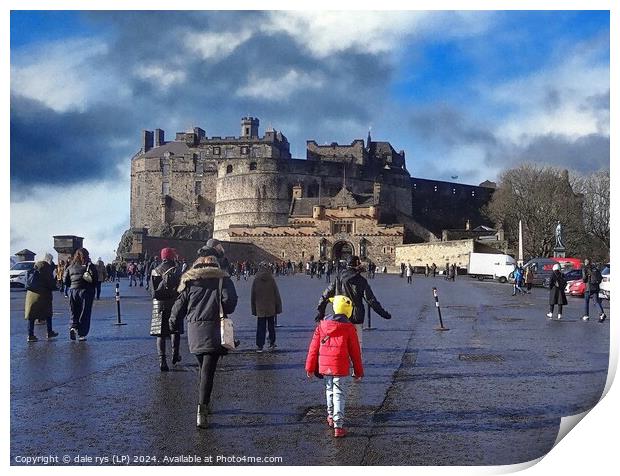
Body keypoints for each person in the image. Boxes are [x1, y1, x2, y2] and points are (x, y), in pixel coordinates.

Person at [169, 253, 238, 429]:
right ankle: (202, 408)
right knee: (208, 370)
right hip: (214, 329)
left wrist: (173, 324)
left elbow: (178, 308)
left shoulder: (190, 283)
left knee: (203, 367)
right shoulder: (223, 280)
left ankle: (205, 403)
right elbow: (230, 303)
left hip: (194, 331)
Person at [305, 295, 363, 438]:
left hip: (325, 366)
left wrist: (310, 367)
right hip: (340, 366)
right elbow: (355, 352)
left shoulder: (322, 325)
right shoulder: (349, 328)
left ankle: (330, 415)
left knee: (329, 389)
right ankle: (338, 424)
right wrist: (358, 371)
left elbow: (313, 348)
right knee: (339, 393)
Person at [316, 255, 391, 351]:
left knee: (341, 342)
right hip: (356, 316)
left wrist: (320, 311)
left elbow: (326, 294)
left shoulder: (339, 278)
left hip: (340, 316)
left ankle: (343, 363)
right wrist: (383, 314)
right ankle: (355, 364)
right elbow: (371, 300)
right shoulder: (361, 280)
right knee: (356, 344)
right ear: (356, 264)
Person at [150, 248, 182, 371]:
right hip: (174, 303)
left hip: (159, 304)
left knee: (161, 334)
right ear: (172, 256)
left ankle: (162, 360)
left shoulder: (155, 270)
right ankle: (175, 355)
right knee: (175, 330)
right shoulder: (177, 270)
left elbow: (153, 292)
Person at [63, 248, 98, 341]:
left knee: (74, 311)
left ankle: (73, 327)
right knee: (85, 312)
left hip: (73, 291)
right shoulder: (90, 266)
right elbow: (95, 280)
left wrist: (72, 285)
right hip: (86, 291)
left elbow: (64, 280)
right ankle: (82, 334)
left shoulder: (70, 267)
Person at [25, 253, 59, 342]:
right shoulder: (46, 267)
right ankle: (49, 332)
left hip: (31, 294)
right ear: (49, 260)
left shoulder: (35, 266)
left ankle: (30, 335)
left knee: (31, 315)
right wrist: (55, 287)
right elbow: (50, 282)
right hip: (43, 294)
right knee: (48, 314)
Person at [251, 262, 282, 353]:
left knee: (260, 326)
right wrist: (278, 307)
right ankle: (272, 343)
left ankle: (260, 345)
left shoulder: (256, 280)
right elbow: (277, 294)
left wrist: (253, 308)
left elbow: (253, 295)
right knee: (271, 326)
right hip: (270, 307)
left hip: (260, 307)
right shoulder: (271, 280)